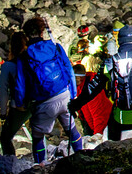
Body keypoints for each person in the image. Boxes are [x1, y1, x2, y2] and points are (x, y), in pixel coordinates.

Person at [11, 16, 84, 164]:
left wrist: (20, 103)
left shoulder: (24, 57)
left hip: (43, 101)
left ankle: (41, 165)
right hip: (64, 95)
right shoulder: (55, 47)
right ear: (42, 31)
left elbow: (20, 84)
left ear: (26, 35)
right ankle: (82, 157)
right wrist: (74, 95)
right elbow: (69, 70)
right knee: (72, 131)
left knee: (37, 137)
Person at [0, 32, 31, 156]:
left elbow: (4, 91)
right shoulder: (33, 59)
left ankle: (10, 164)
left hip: (19, 105)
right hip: (38, 101)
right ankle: (41, 161)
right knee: (38, 134)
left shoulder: (8, 66)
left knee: (5, 138)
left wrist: (2, 112)